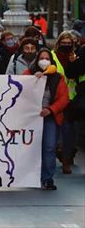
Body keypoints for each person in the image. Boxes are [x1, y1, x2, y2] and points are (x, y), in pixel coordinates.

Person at [23, 48, 69, 190]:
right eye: (41, 58)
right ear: (37, 60)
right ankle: (28, 176)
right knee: (30, 148)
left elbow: (63, 98)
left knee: (49, 147)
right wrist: (32, 80)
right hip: (30, 118)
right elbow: (20, 91)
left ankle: (47, 178)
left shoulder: (58, 77)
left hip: (49, 117)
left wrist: (50, 110)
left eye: (47, 58)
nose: (44, 61)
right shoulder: (28, 74)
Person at [52, 31, 80, 174]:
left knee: (69, 132)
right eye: (64, 43)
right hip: (55, 98)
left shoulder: (75, 57)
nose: (66, 46)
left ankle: (66, 160)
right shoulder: (52, 56)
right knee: (54, 131)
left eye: (69, 44)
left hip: (71, 99)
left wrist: (74, 63)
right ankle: (57, 153)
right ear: (58, 43)